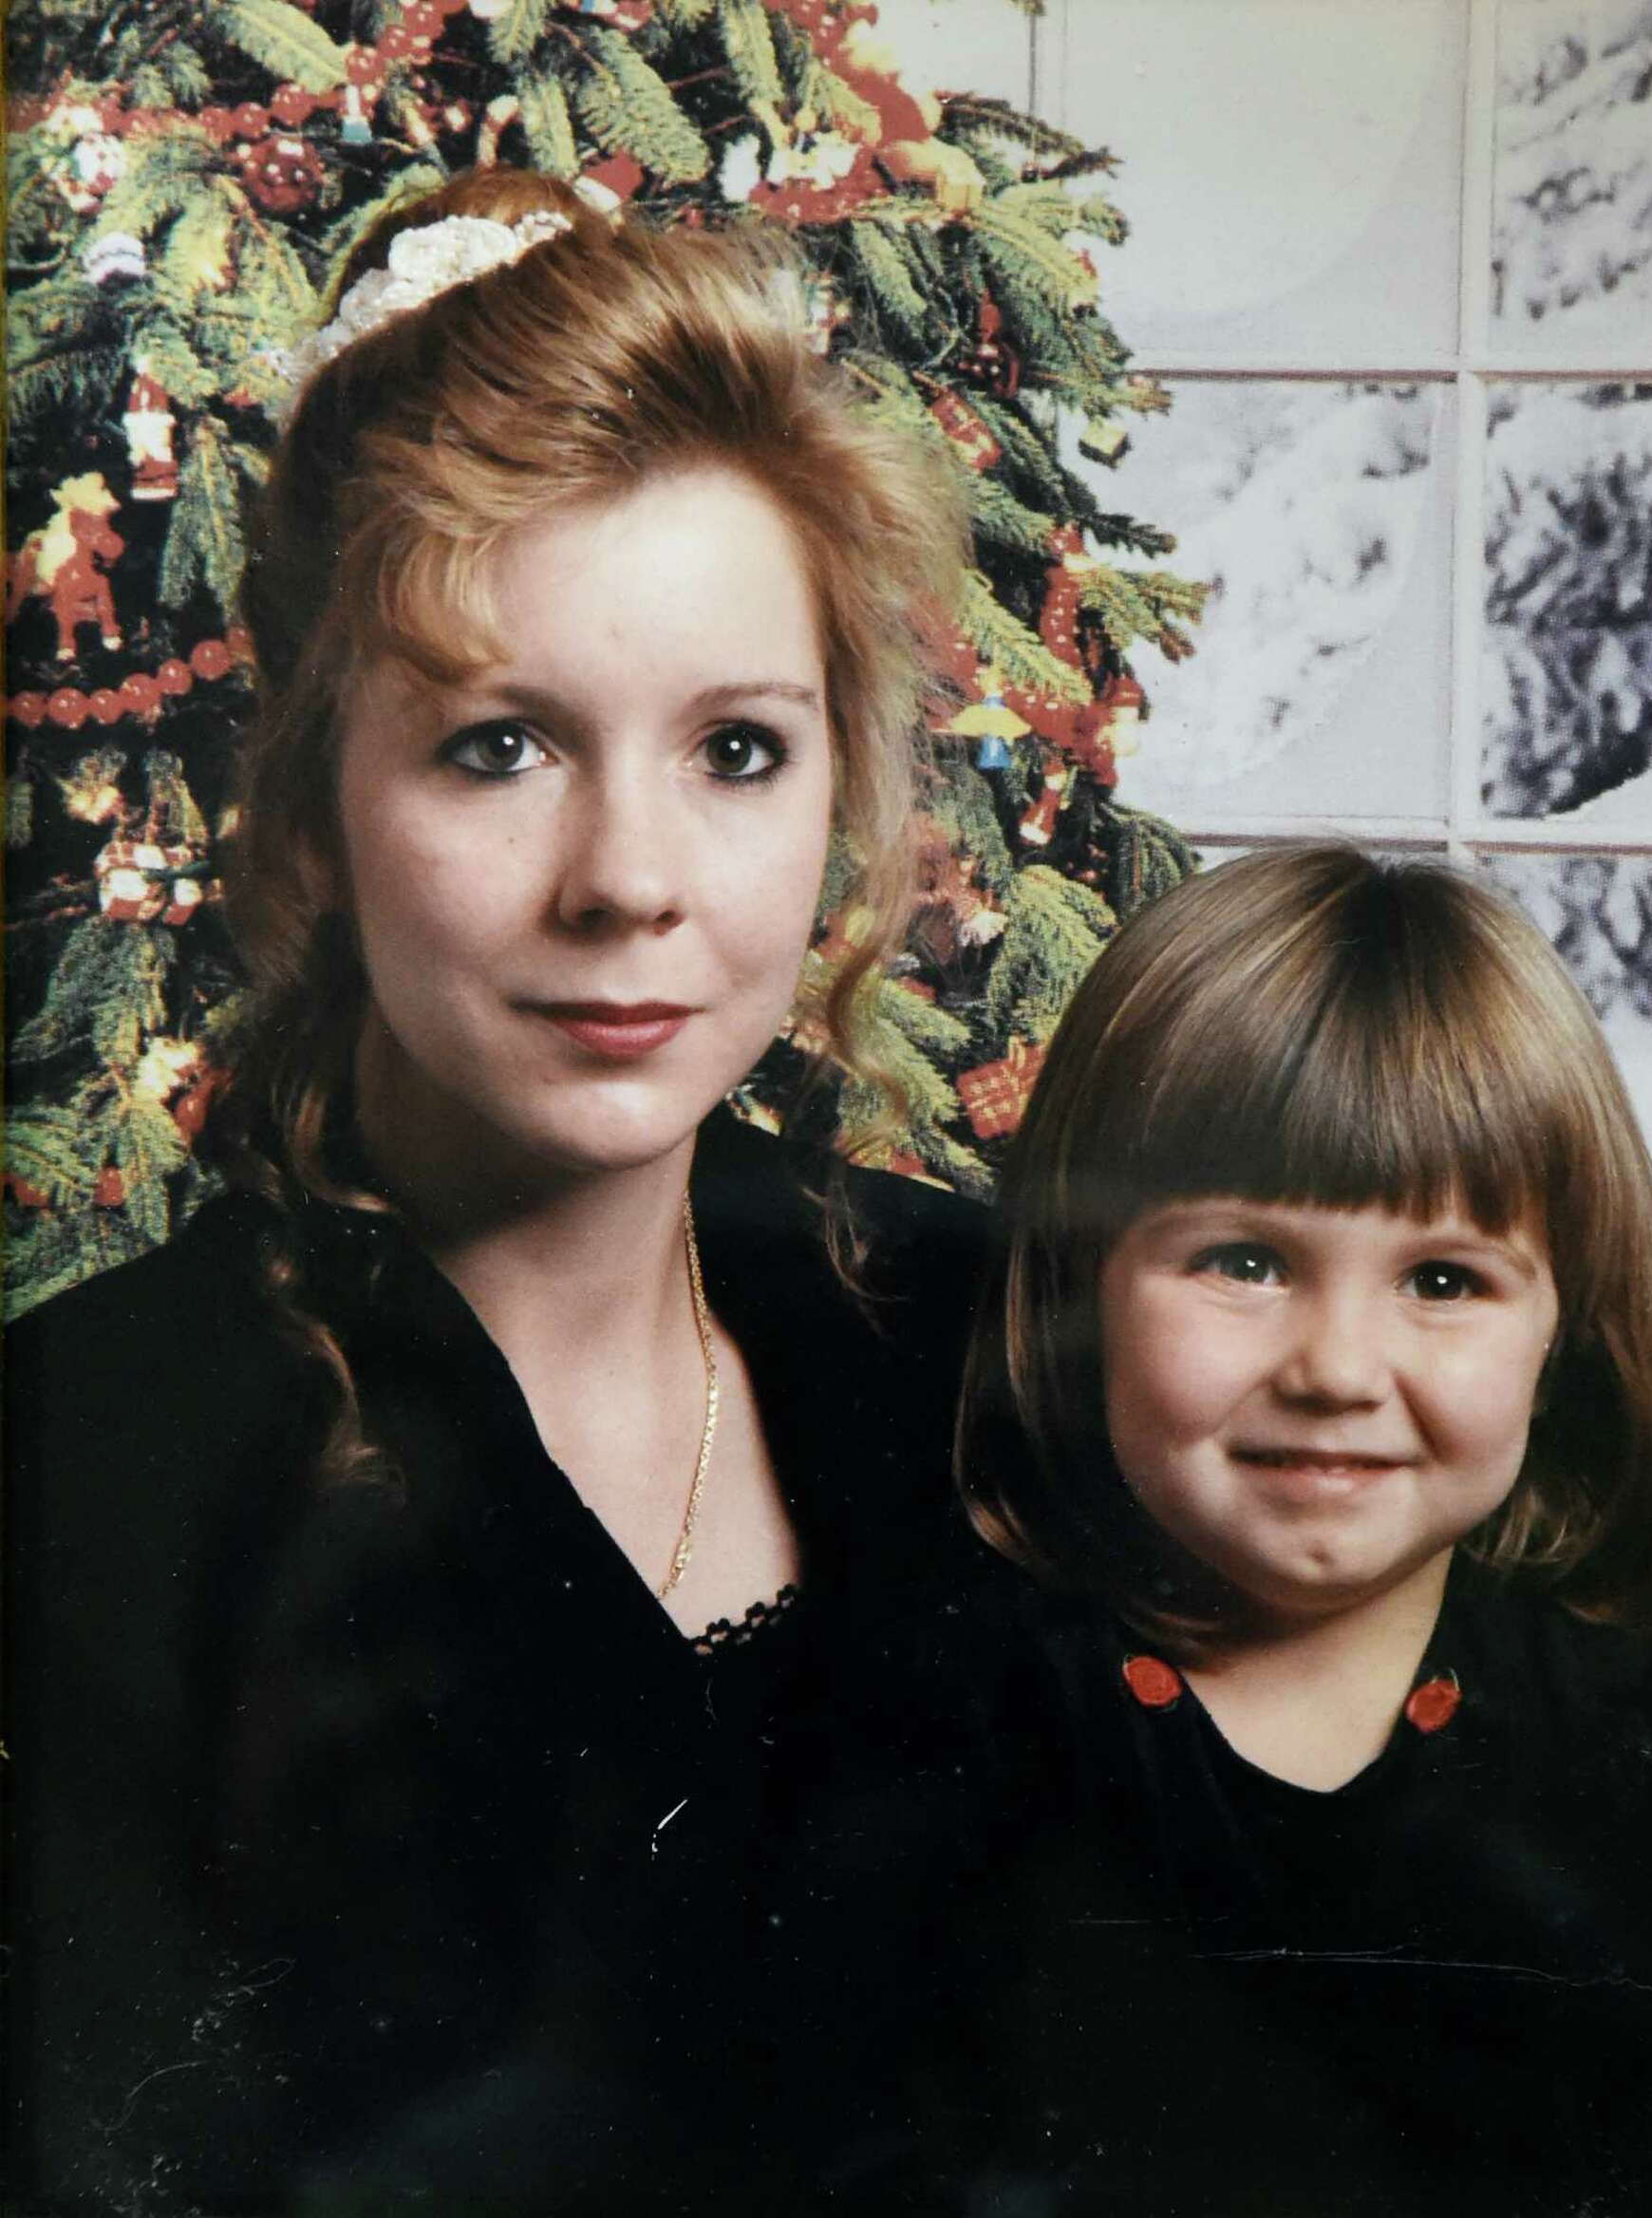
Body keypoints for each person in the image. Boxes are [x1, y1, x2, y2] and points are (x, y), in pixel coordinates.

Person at [5, 166, 981, 2212]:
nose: (629, 879)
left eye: (736, 751)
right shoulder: (85, 1476)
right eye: (499, 747)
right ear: (312, 799)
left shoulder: (1002, 1352)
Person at [780, 845, 1652, 2214]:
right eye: (1246, 1262)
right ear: (1080, 1293)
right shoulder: (929, 1730)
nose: (1337, 1370)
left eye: (1443, 1281)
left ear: (1563, 1332)